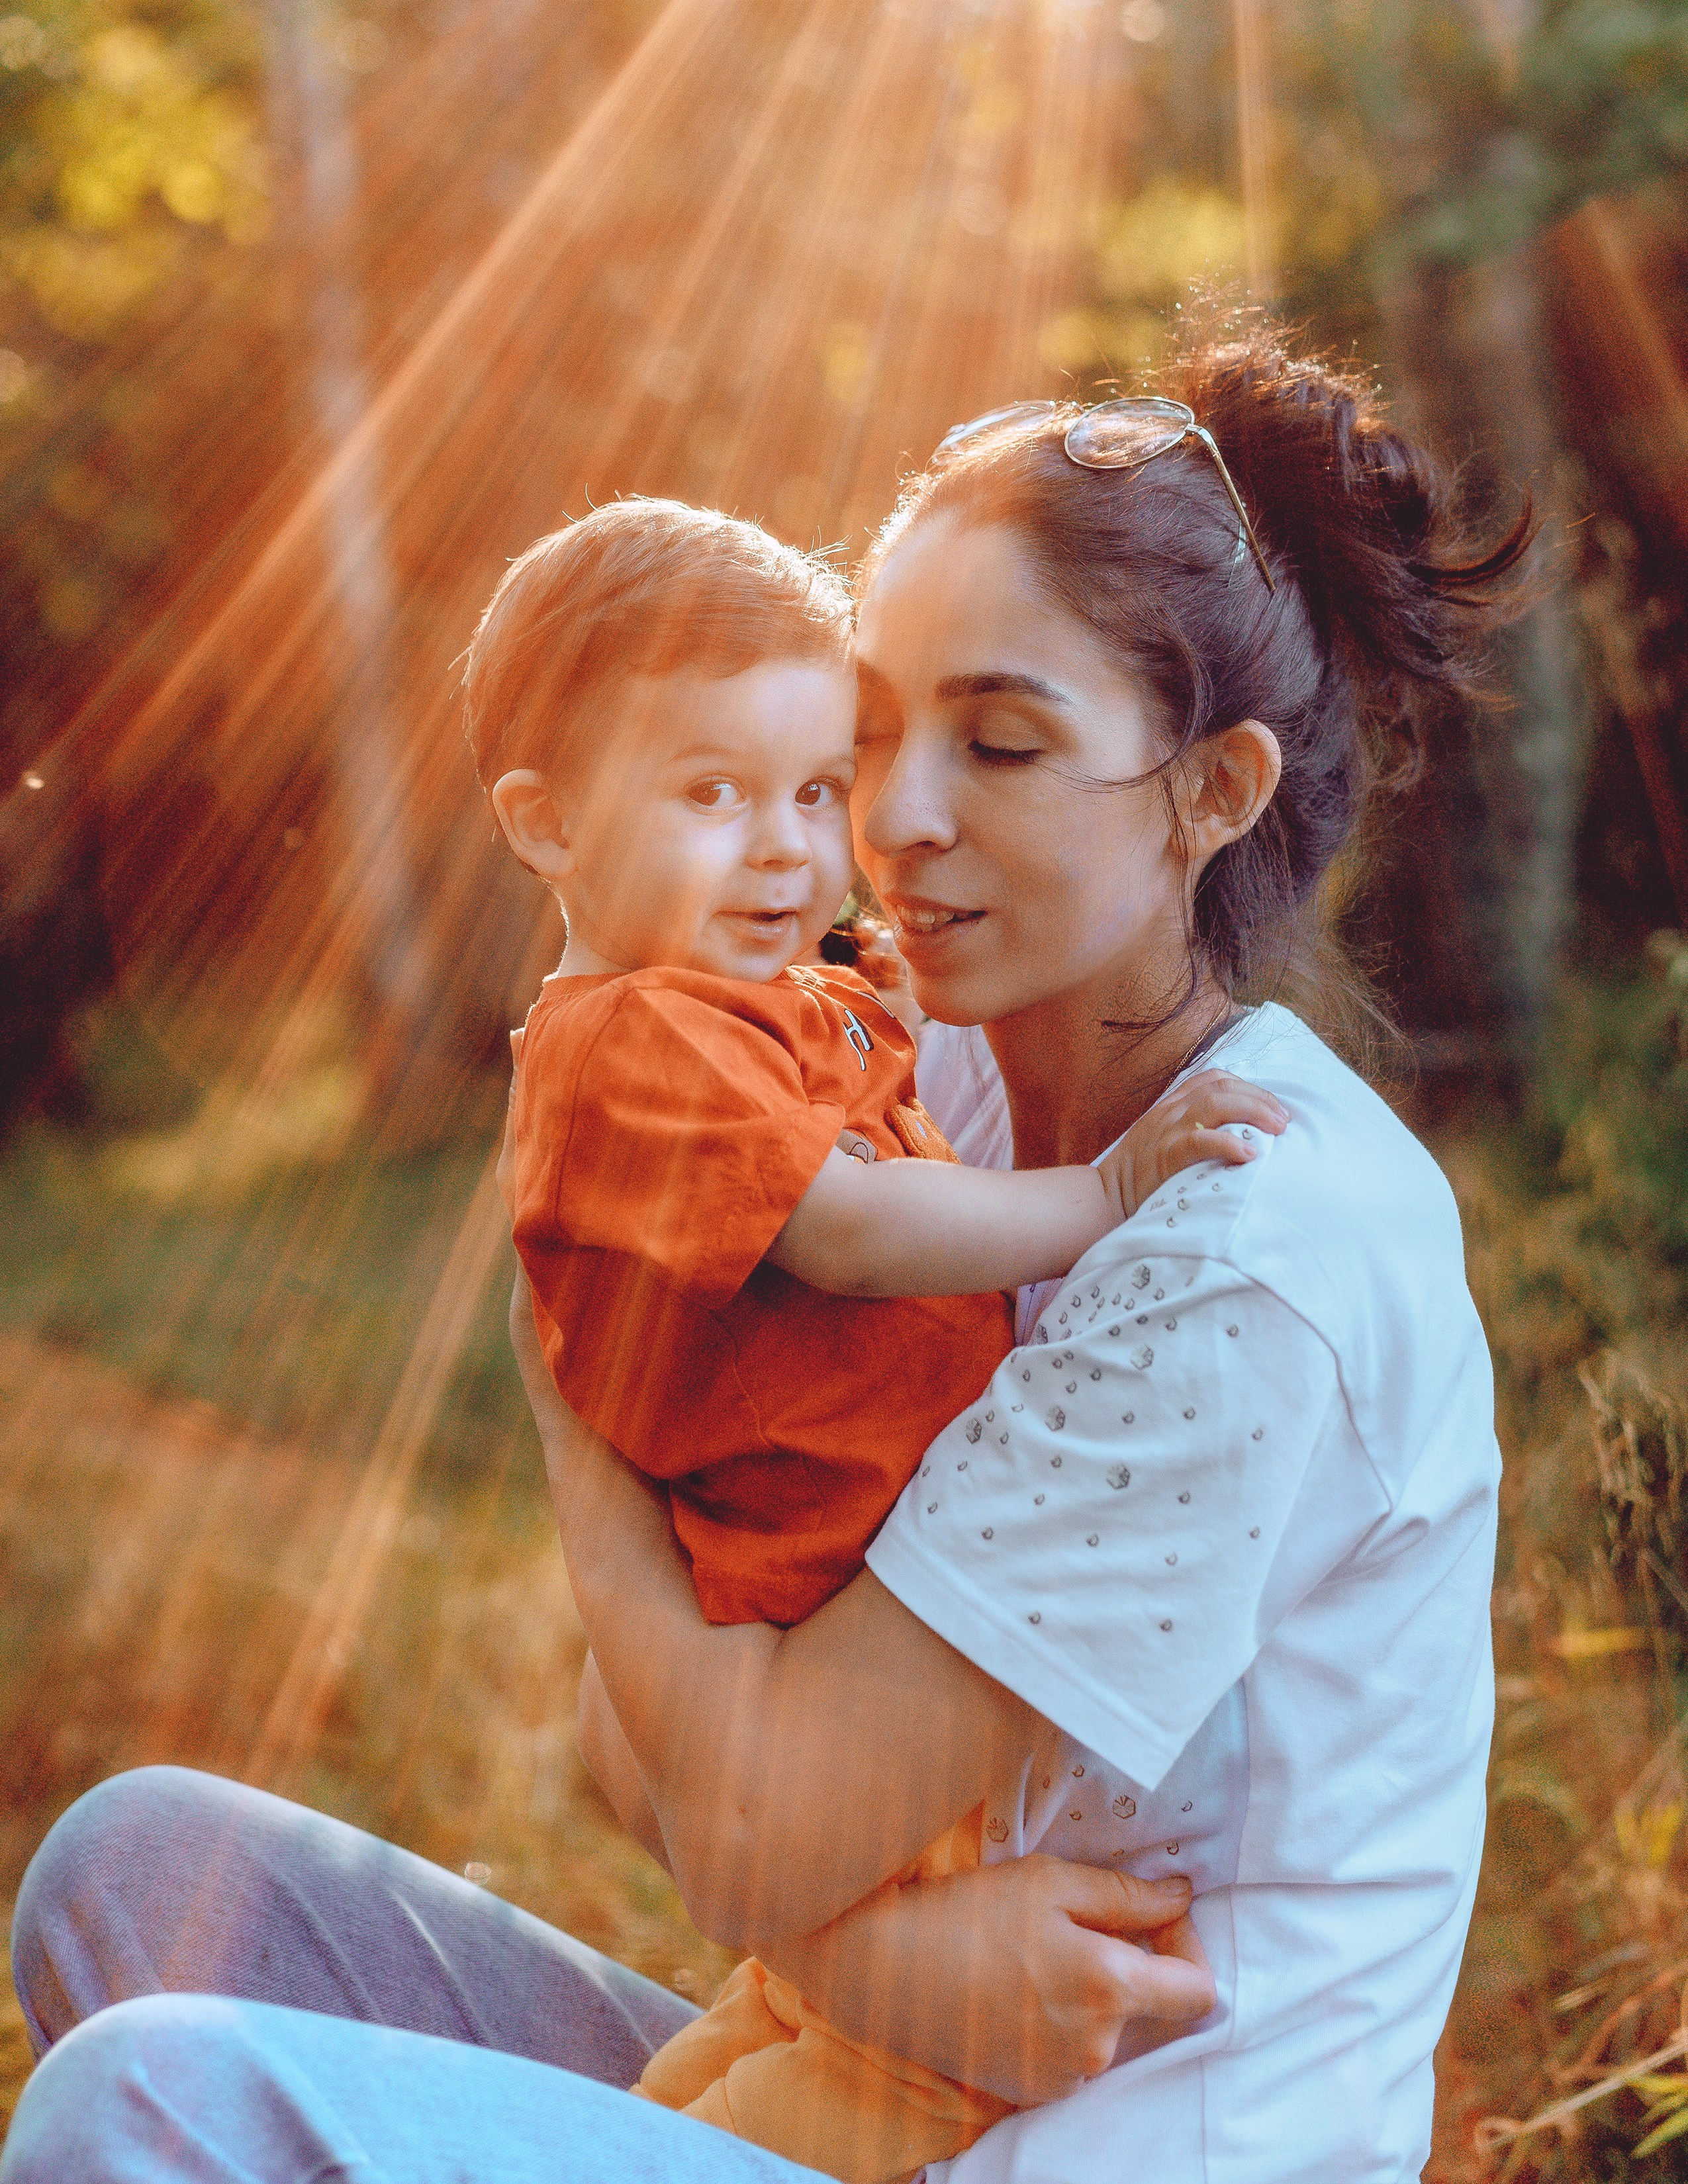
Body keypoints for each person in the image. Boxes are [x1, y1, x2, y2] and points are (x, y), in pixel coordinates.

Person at [1, 332, 1528, 2184]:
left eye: (1002, 740)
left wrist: (578, 1428)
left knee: (139, 2099)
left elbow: (727, 1812)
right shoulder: (912, 1078)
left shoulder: (1246, 1240)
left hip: (1072, 2150)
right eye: (867, 730)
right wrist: (876, 1959)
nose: (887, 819)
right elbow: (621, 1735)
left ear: (1211, 789)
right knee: (137, 1865)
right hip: (864, 2071)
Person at [471, 500, 1281, 2181]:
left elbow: (843, 1082)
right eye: (711, 795)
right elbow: (847, 1226)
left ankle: (641, 2132)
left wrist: (882, 1014)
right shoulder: (634, 1038)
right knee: (895, 2083)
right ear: (544, 829)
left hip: (823, 1601)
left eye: (812, 791)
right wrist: (1103, 1192)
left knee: (796, 2016)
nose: (790, 851)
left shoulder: (720, 1005)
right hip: (835, 1613)